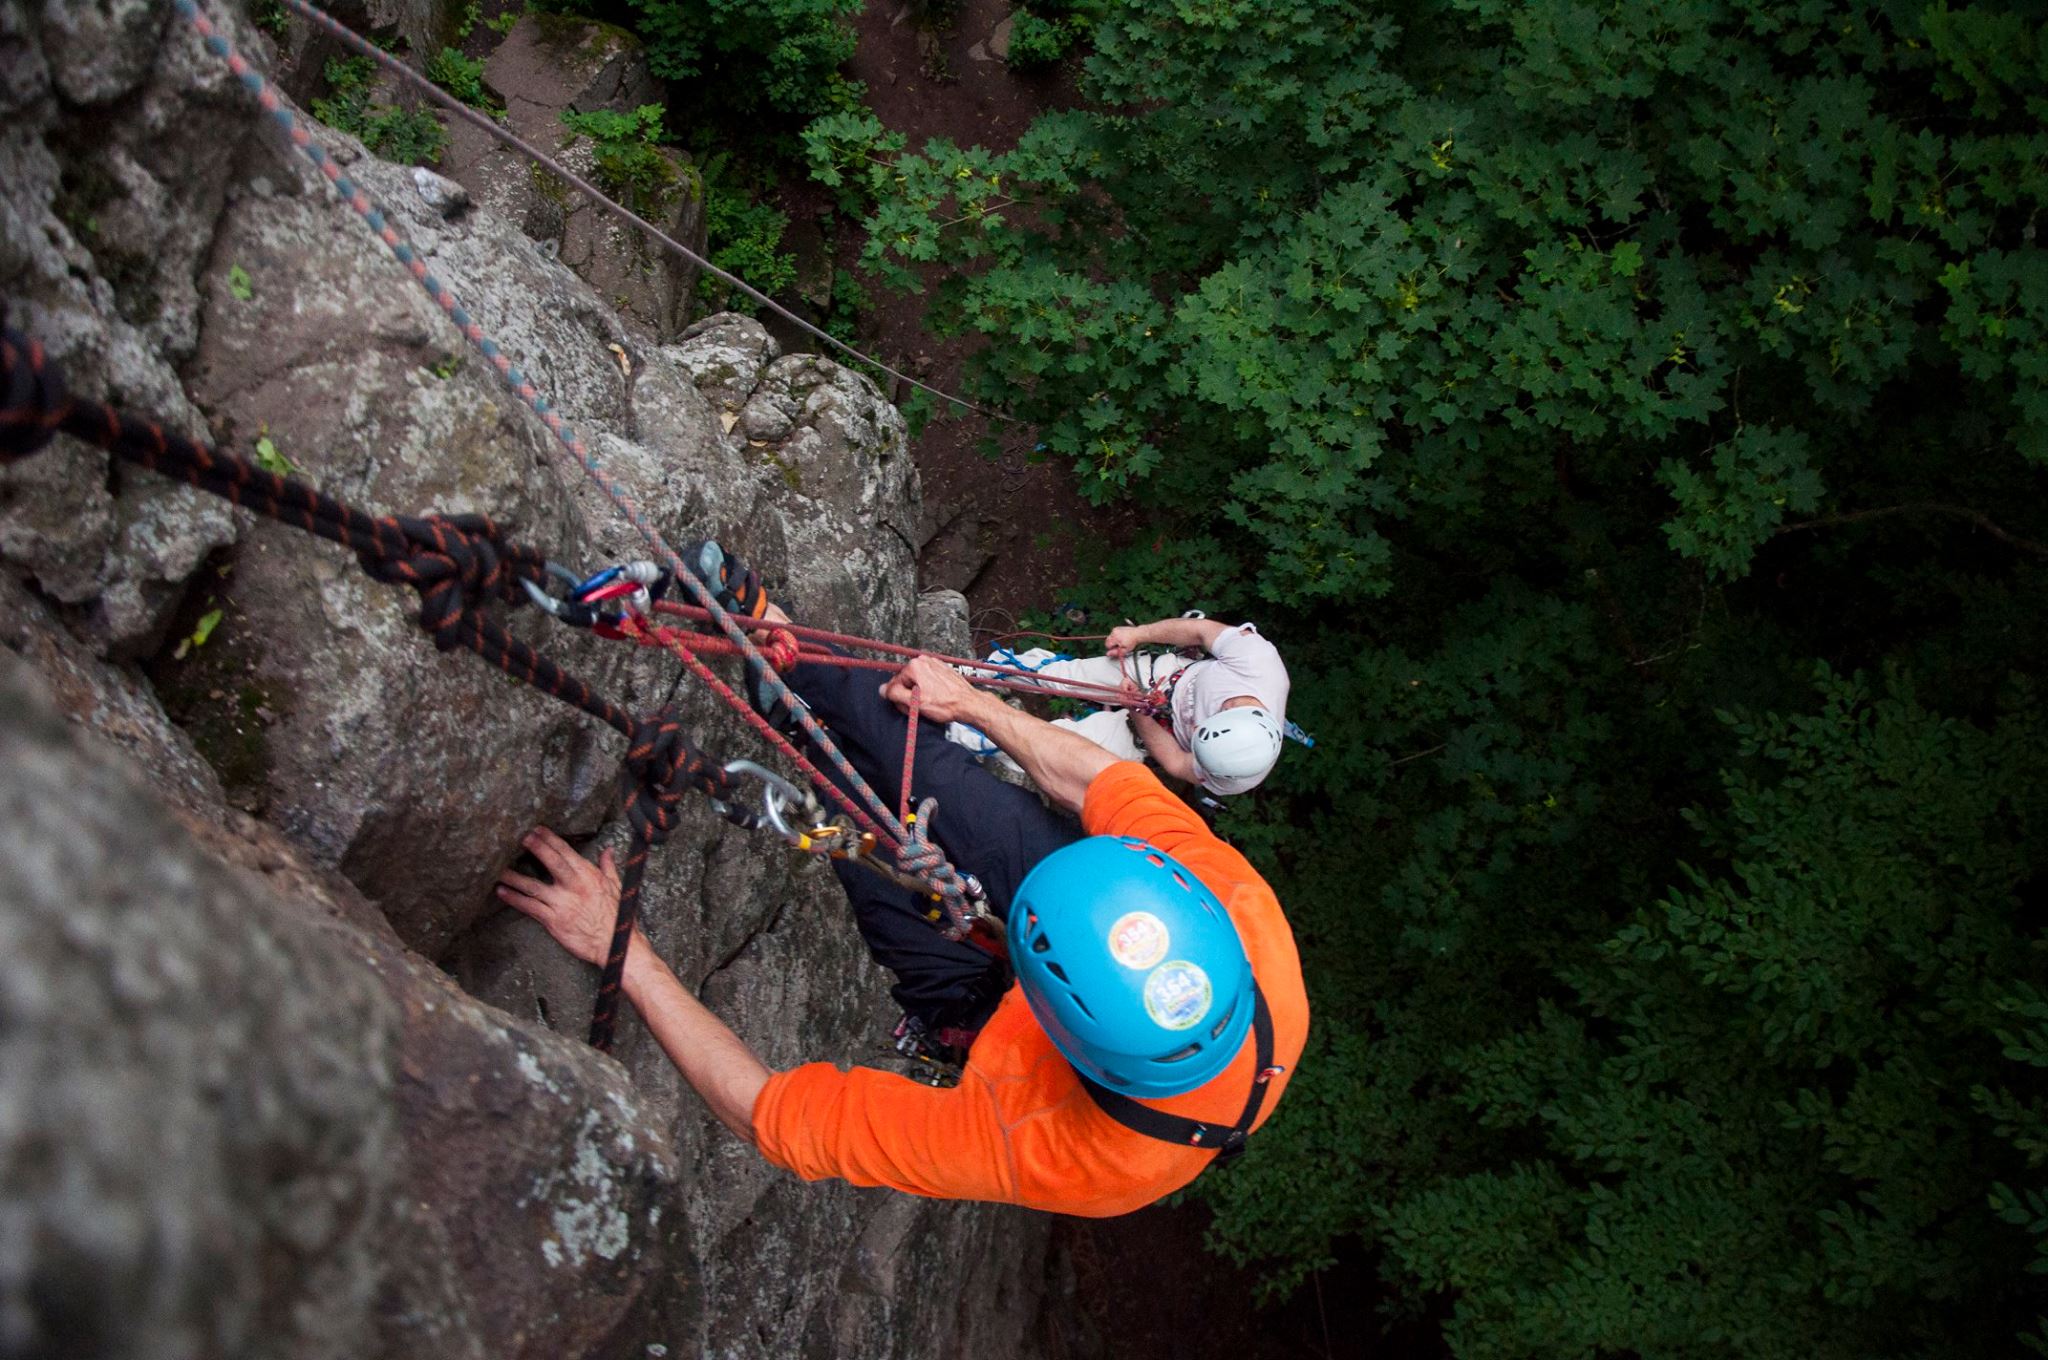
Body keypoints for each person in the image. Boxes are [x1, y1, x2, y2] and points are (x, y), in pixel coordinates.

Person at [494, 544, 1309, 1215]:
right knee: (925, 760)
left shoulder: (1063, 1152)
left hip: (986, 1016)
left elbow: (765, 1114)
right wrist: (975, 705)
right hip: (1074, 881)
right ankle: (779, 648)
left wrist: (621, 949)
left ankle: (811, 744)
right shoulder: (1236, 917)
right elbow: (1100, 783)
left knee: (872, 859)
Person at [947, 615, 1292, 797]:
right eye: (1217, 712)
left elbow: (1175, 761)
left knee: (1043, 747)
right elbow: (1200, 631)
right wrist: (1138, 634)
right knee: (1061, 675)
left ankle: (956, 731)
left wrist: (1141, 716)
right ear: (1238, 707)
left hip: (1144, 738)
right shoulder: (1257, 662)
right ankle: (980, 670)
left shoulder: (1235, 772)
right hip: (1163, 676)